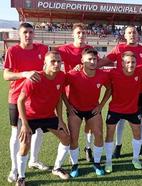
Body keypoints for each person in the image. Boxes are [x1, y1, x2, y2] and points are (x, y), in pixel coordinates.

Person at [16, 51, 70, 186]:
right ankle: (21, 177)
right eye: (53, 61)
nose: (57, 64)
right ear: (44, 63)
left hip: (49, 116)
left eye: (59, 61)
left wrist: (60, 119)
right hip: (30, 117)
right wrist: (24, 124)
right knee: (24, 146)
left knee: (66, 138)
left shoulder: (61, 76)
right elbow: (20, 101)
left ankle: (57, 168)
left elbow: (58, 98)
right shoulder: (35, 78)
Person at [3, 22, 49, 183]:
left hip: (37, 98)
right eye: (25, 33)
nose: (28, 35)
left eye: (30, 32)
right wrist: (25, 74)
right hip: (17, 98)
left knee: (39, 131)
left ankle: (34, 160)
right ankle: (14, 168)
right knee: (17, 133)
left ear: (34, 33)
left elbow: (51, 64)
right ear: (20, 35)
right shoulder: (12, 51)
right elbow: (6, 75)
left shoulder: (43, 49)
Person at [98, 25, 142, 158]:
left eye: (134, 32)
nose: (132, 34)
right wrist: (90, 65)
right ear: (125, 35)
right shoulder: (120, 48)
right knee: (120, 120)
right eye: (129, 32)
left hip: (139, 92)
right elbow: (106, 60)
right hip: (121, 91)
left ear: (138, 35)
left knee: (139, 122)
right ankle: (118, 145)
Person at [63, 48, 111, 177]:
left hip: (93, 110)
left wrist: (101, 105)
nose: (92, 61)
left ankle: (96, 163)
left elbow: (109, 89)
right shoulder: (73, 74)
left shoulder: (102, 75)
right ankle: (75, 165)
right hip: (75, 110)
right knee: (73, 138)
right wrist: (68, 106)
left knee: (99, 135)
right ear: (82, 61)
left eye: (95, 59)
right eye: (89, 59)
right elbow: (61, 88)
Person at [104, 51, 142, 173]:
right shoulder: (112, 73)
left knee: (137, 134)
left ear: (137, 63)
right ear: (122, 64)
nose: (130, 65)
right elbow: (95, 72)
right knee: (109, 135)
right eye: (127, 62)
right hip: (115, 109)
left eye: (133, 62)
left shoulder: (140, 70)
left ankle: (135, 159)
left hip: (133, 110)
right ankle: (108, 161)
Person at [57, 23, 95, 162]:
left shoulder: (90, 49)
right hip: (72, 96)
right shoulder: (63, 49)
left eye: (83, 33)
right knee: (74, 131)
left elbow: (96, 65)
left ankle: (88, 148)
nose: (81, 35)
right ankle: (74, 160)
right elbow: (51, 60)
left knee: (90, 127)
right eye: (78, 32)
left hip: (89, 95)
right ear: (73, 34)